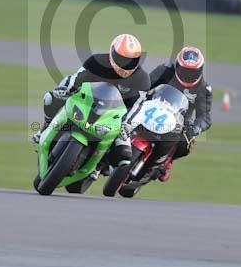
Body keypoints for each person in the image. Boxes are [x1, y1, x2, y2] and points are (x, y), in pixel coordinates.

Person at [34, 33, 151, 168]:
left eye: (131, 61)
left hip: (114, 118)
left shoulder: (142, 79)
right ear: (112, 53)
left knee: (124, 156)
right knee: (50, 99)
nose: (126, 64)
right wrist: (65, 90)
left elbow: (138, 106)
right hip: (87, 103)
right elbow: (76, 78)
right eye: (122, 59)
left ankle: (99, 167)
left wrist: (127, 124)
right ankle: (45, 128)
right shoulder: (97, 61)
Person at [138, 46, 213, 181]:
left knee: (186, 144)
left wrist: (194, 129)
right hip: (154, 107)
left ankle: (166, 161)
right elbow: (146, 85)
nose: (188, 74)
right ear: (177, 65)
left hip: (180, 121)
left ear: (200, 70)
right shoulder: (165, 70)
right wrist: (139, 96)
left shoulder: (204, 88)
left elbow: (205, 117)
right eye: (185, 70)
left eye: (192, 72)